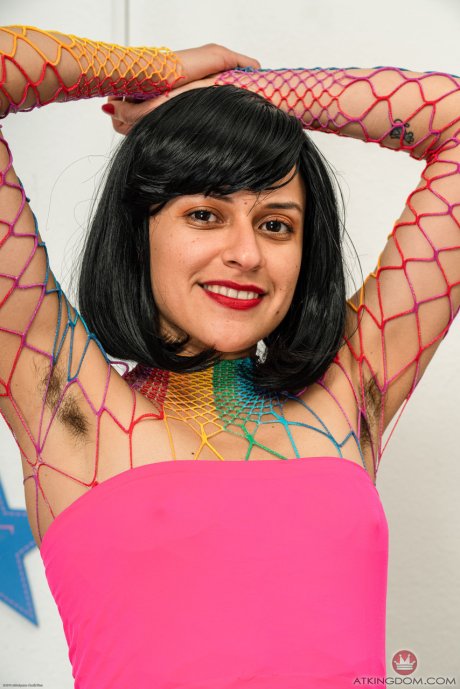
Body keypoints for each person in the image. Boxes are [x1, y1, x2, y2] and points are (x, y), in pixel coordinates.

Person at [0, 25, 458, 689]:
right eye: (205, 215)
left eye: (275, 224)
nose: (246, 253)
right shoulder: (67, 405)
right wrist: (155, 71)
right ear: (140, 230)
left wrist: (235, 96)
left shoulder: (347, 393)